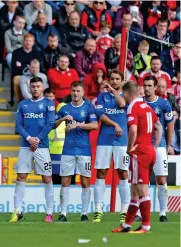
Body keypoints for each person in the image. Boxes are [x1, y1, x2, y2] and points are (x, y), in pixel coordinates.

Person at [112, 81, 162, 234]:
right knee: (135, 190)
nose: (122, 98)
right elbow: (158, 127)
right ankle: (127, 225)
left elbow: (133, 129)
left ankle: (146, 226)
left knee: (141, 190)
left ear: (127, 94)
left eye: (123, 95)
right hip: (149, 150)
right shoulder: (147, 106)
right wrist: (154, 146)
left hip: (139, 152)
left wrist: (129, 148)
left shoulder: (132, 107)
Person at [9, 76, 55, 223]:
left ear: (42, 88)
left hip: (42, 146)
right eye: (33, 86)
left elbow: (50, 123)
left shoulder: (49, 103)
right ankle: (17, 211)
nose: (35, 89)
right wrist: (29, 139)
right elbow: (18, 125)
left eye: (38, 86)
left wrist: (38, 139)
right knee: (21, 177)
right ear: (30, 88)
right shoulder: (23, 104)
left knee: (46, 178)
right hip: (25, 145)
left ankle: (49, 212)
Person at [55, 81, 98, 222]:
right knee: (65, 181)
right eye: (73, 91)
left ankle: (84, 213)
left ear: (83, 92)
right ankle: (63, 213)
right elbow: (53, 125)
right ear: (70, 91)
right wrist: (62, 119)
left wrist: (77, 124)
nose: (75, 93)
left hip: (84, 150)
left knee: (85, 182)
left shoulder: (89, 107)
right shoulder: (64, 108)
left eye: (78, 91)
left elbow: (95, 125)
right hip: (67, 149)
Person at [92, 69, 129, 223]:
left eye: (117, 79)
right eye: (112, 79)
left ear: (122, 80)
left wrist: (114, 91)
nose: (114, 81)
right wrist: (114, 124)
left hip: (122, 142)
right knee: (101, 173)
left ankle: (124, 210)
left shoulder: (126, 96)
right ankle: (98, 210)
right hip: (105, 140)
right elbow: (100, 116)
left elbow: (122, 104)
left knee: (123, 173)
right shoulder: (102, 97)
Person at [143, 76, 174, 222]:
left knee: (161, 179)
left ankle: (162, 213)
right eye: (145, 85)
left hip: (159, 146)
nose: (147, 88)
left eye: (150, 85)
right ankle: (141, 213)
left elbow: (170, 125)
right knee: (142, 181)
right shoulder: (139, 103)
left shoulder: (164, 103)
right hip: (142, 146)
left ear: (155, 87)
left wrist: (167, 146)